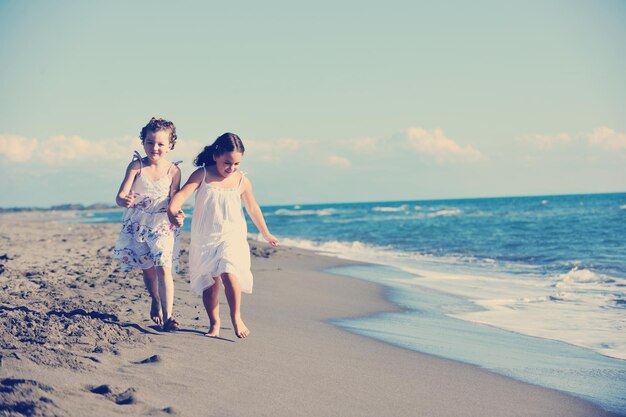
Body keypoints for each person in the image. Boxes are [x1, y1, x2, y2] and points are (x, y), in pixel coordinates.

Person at [167, 132, 278, 339]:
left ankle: (236, 317)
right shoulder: (202, 175)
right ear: (217, 155)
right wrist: (172, 210)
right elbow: (182, 194)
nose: (232, 168)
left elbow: (253, 208)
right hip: (205, 237)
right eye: (228, 163)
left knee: (229, 272)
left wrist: (266, 233)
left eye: (236, 164)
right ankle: (214, 323)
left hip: (232, 236)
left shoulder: (242, 181)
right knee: (210, 285)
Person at [113, 117, 182, 332]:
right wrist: (124, 200)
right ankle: (155, 299)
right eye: (150, 142)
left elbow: (175, 200)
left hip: (162, 224)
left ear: (170, 146)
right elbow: (120, 195)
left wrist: (178, 214)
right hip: (138, 225)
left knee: (164, 268)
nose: (155, 147)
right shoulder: (136, 166)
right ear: (143, 142)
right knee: (149, 270)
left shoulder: (173, 171)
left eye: (161, 144)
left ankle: (169, 316)